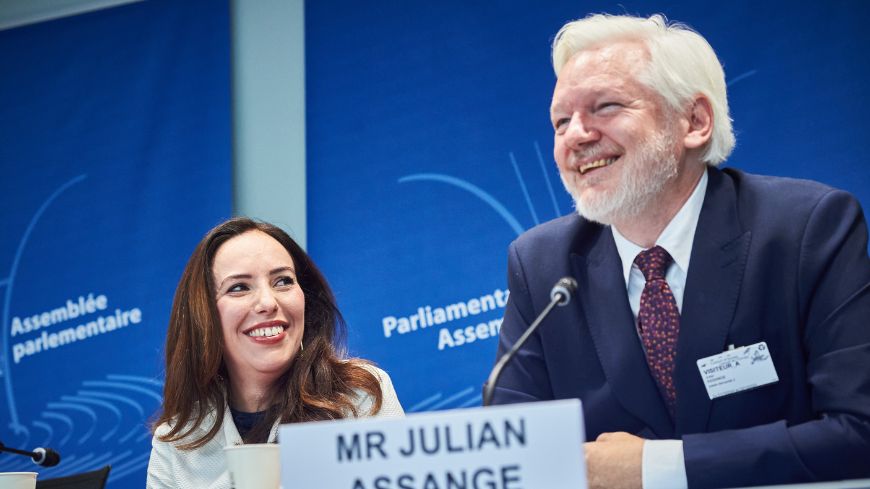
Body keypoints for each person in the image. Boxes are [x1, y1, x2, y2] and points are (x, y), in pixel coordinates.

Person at [491, 13, 870, 489]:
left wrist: (660, 467)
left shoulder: (806, 228)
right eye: (560, 121)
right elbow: (513, 459)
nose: (576, 136)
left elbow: (859, 432)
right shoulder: (541, 265)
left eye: (604, 106)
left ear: (694, 121)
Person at [147, 217, 404, 488]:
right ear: (205, 317)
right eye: (239, 287)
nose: (268, 302)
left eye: (283, 281)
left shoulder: (361, 396)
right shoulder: (176, 443)